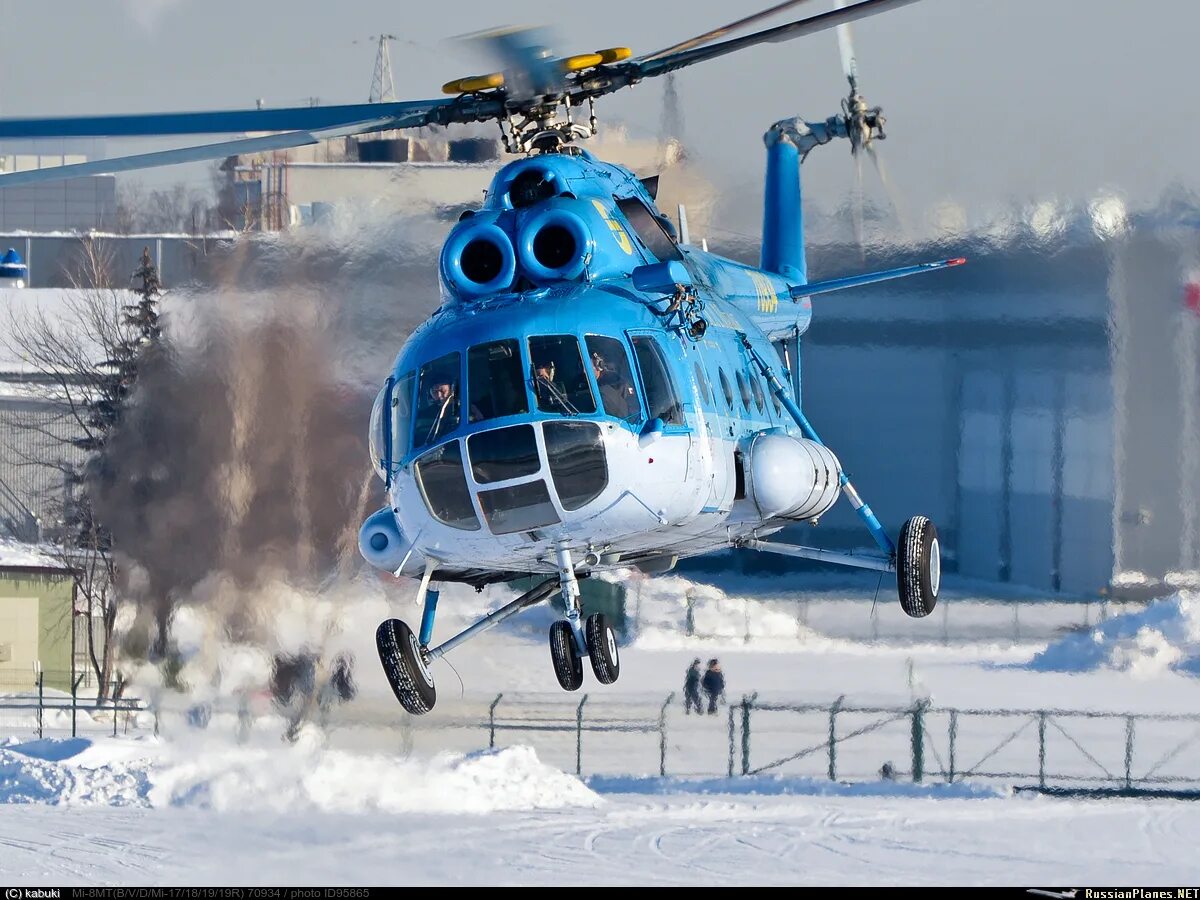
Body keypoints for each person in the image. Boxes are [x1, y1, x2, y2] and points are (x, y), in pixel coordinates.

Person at [591, 351, 637, 419]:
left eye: (588, 366)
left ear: (599, 365)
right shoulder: (580, 384)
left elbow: (632, 413)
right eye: (581, 365)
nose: (584, 370)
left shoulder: (617, 382)